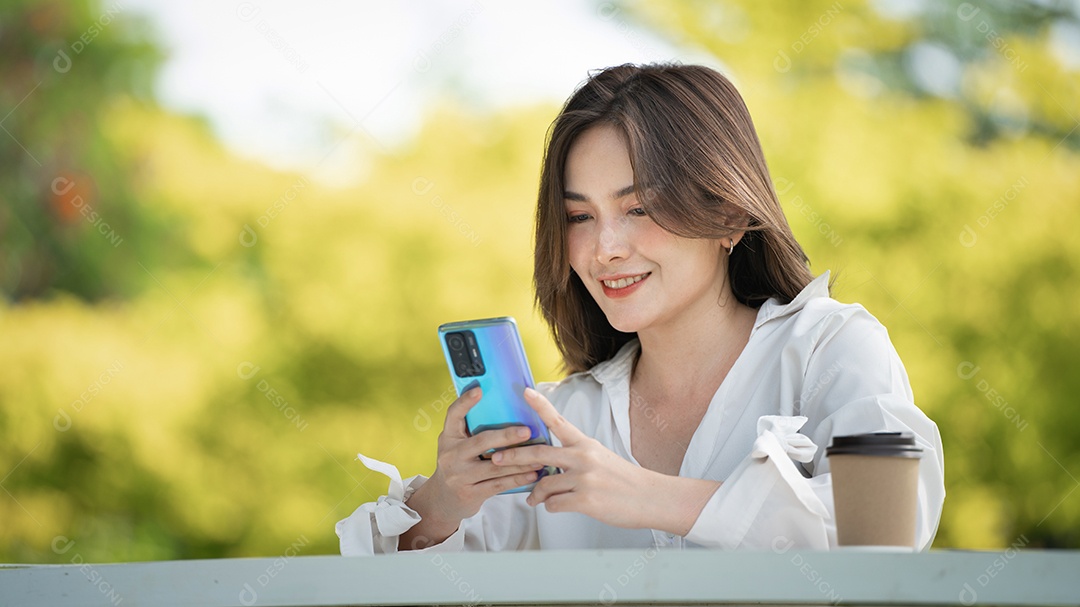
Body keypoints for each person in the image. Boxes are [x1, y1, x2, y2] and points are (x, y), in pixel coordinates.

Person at [336, 62, 945, 554]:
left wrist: (649, 497)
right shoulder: (562, 420)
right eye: (579, 216)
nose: (605, 249)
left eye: (639, 207)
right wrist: (446, 499)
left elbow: (888, 529)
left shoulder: (833, 348)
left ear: (729, 214)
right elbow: (406, 587)